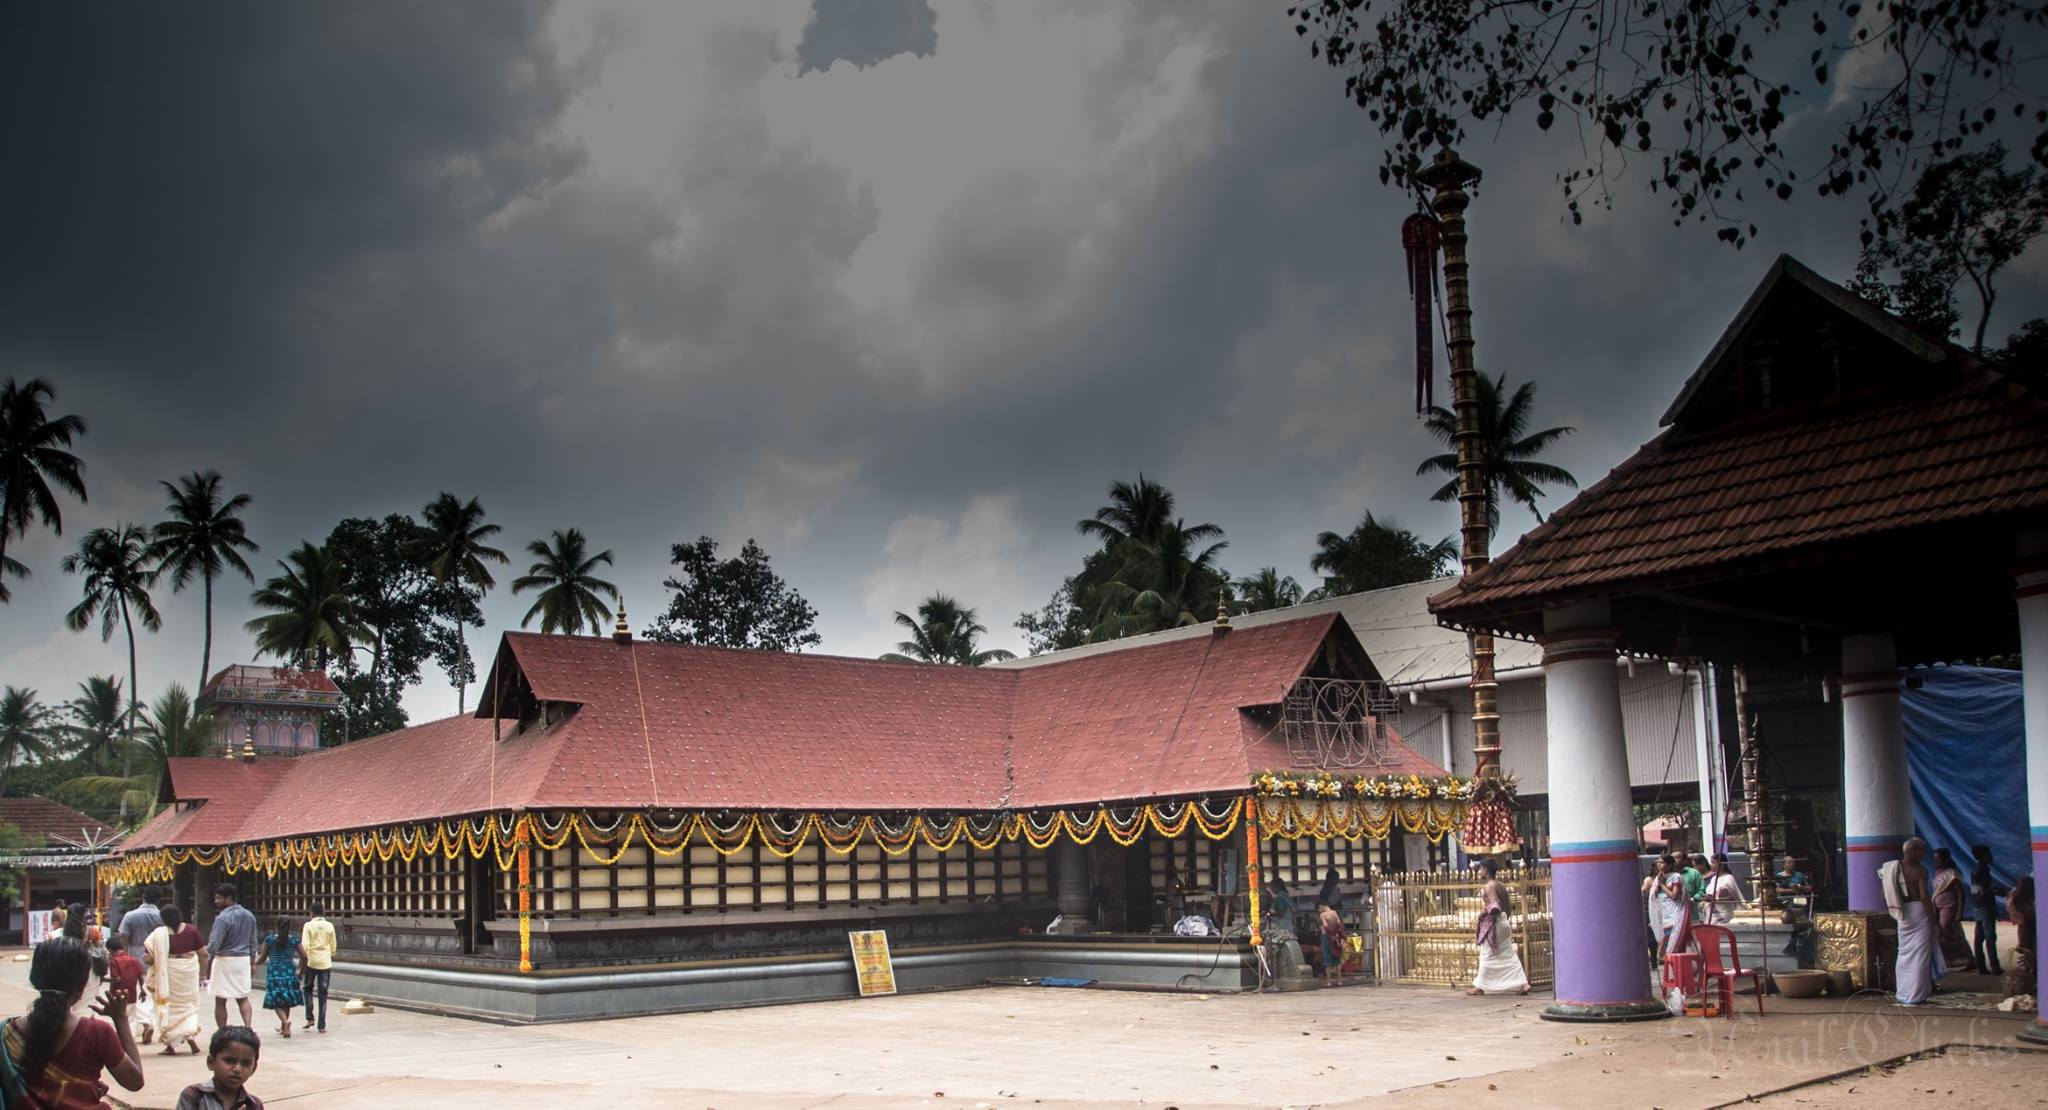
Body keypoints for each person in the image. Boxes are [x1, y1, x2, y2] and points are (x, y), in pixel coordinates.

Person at [1, 935, 146, 1109]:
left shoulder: (6, 1032)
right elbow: (134, 1082)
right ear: (82, 987)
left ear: (35, 980)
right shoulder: (97, 1032)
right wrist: (121, 1019)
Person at [1882, 837, 1942, 1005]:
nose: (1924, 856)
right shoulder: (1920, 871)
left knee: (1904, 953)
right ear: (1914, 851)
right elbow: (1924, 897)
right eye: (1922, 852)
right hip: (1918, 911)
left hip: (1902, 912)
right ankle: (1917, 995)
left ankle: (1903, 993)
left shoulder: (1890, 869)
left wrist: (1894, 909)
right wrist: (1934, 920)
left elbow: (1884, 895)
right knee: (1920, 955)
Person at [1466, 857, 1531, 996]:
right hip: (1503, 922)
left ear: (1486, 870)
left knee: (1486, 953)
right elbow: (1506, 906)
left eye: (1481, 868)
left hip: (1494, 924)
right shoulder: (1500, 885)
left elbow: (1494, 905)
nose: (1479, 871)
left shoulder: (1489, 886)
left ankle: (1479, 987)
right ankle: (1524, 984)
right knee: (1508, 954)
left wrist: (1482, 914)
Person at [146, 905, 205, 1056]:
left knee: (169, 1007)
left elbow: (148, 957)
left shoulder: (159, 934)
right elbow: (203, 953)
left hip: (169, 973)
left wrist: (154, 962)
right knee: (189, 1006)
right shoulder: (191, 930)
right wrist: (203, 975)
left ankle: (171, 1045)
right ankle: (189, 1034)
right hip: (189, 971)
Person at [205, 883, 258, 1032]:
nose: (216, 901)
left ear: (229, 899)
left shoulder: (222, 918)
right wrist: (253, 962)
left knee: (221, 999)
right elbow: (253, 941)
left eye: (218, 898)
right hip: (242, 960)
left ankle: (223, 1030)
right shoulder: (249, 915)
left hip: (224, 960)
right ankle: (248, 1026)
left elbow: (215, 943)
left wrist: (207, 958)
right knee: (242, 997)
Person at [175, 1026, 263, 1110]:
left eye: (246, 1063)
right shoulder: (194, 1096)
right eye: (229, 1060)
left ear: (254, 1068)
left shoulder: (254, 1104)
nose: (237, 1069)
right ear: (210, 1062)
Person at [256, 918, 302, 1039]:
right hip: (289, 970)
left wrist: (253, 963)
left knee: (276, 999)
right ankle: (284, 1026)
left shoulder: (269, 940)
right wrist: (300, 969)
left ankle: (285, 1022)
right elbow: (305, 955)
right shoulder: (294, 940)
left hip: (274, 971)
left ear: (276, 927)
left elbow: (262, 957)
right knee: (286, 998)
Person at [1929, 848, 1973, 969]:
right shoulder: (1939, 873)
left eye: (1939, 858)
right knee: (1945, 932)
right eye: (1935, 859)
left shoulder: (1952, 874)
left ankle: (1960, 958)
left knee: (1945, 931)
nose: (1936, 861)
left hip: (1950, 907)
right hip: (1938, 908)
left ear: (1946, 859)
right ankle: (1954, 959)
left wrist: (1959, 912)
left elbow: (1960, 893)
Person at [1968, 845, 2007, 976]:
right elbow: (1983, 891)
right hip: (1985, 906)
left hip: (1978, 906)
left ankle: (1981, 966)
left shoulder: (1975, 870)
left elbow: (1975, 890)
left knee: (1979, 937)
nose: (1991, 856)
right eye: (1988, 853)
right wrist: (1997, 892)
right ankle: (1995, 967)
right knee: (1990, 936)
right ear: (1982, 856)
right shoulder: (1982, 870)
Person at [298, 903, 335, 1034]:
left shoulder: (308, 926)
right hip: (325, 962)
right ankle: (322, 1025)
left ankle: (310, 1017)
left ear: (311, 913)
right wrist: (329, 954)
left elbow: (305, 945)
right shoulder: (330, 926)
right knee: (323, 993)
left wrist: (302, 962)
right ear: (323, 912)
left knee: (307, 988)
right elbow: (333, 945)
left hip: (311, 962)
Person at [104, 936, 145, 1013]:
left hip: (118, 997)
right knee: (131, 1021)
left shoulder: (115, 961)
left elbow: (117, 979)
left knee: (120, 1020)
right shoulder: (134, 960)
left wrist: (104, 980)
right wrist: (143, 992)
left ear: (109, 950)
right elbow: (140, 977)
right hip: (132, 996)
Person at [1703, 853, 1745, 925]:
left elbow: (1733, 897)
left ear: (1722, 865)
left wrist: (1715, 899)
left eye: (1713, 863)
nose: (1711, 865)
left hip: (1723, 914)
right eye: (1711, 862)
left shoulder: (1728, 878)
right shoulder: (1713, 878)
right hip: (1711, 914)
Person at [1316, 901, 1346, 985]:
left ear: (1322, 906)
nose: (1319, 910)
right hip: (1336, 937)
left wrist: (1330, 934)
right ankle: (1339, 980)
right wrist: (1339, 936)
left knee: (1327, 958)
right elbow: (1339, 925)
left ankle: (1329, 981)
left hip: (1327, 937)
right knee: (1337, 958)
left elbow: (1325, 926)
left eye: (1319, 908)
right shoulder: (1334, 912)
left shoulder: (1322, 915)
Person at [1680, 855, 1707, 923]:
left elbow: (1702, 890)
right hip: (1672, 918)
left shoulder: (1694, 873)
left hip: (1692, 915)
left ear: (1684, 860)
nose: (1674, 859)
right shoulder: (1666, 875)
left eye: (1677, 857)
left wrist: (1693, 899)